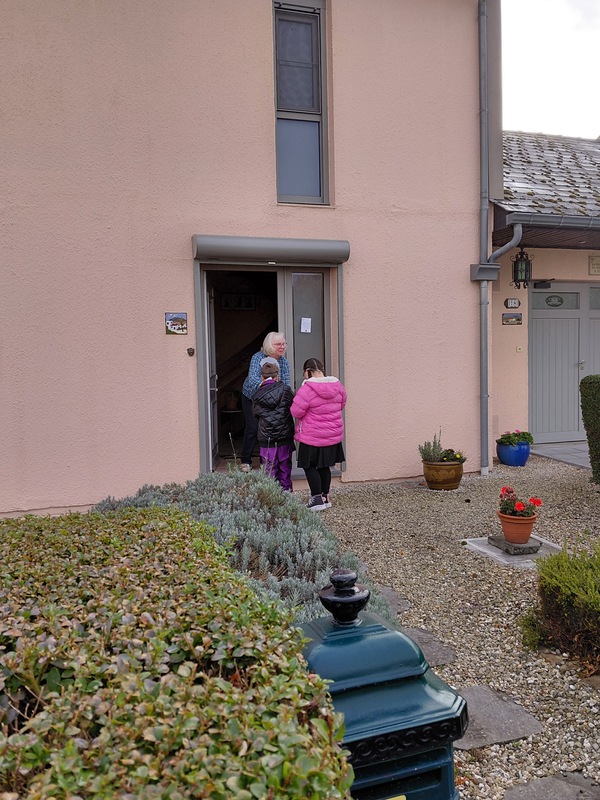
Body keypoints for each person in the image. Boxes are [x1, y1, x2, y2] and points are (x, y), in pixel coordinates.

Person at [290, 357, 346, 511]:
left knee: (308, 465)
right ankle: (325, 497)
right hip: (332, 435)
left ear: (308, 371)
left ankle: (316, 499)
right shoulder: (338, 387)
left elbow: (296, 412)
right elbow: (341, 404)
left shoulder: (306, 390)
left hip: (311, 436)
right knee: (324, 466)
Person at [240, 332, 290, 471]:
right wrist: (272, 388)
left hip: (273, 401)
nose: (282, 347)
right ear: (269, 345)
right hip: (252, 398)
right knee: (252, 428)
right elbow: (253, 380)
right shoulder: (257, 357)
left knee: (269, 430)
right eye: (278, 344)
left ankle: (267, 461)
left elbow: (286, 384)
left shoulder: (284, 362)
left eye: (283, 344)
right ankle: (245, 461)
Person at [251, 357, 295, 491]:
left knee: (269, 471)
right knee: (285, 469)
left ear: (262, 377)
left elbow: (255, 415)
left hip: (267, 438)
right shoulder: (286, 390)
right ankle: (287, 497)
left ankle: (271, 498)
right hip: (285, 436)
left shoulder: (257, 395)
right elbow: (293, 408)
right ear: (277, 376)